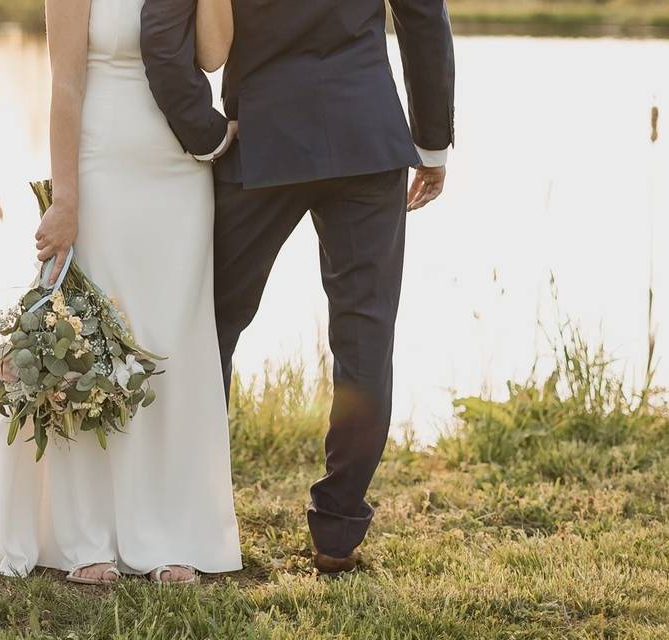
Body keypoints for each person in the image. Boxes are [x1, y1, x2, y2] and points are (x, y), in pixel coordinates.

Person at [141, 0, 455, 574]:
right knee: (366, 333)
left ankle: (188, 514)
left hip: (261, 133)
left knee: (208, 324)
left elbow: (168, 36)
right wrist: (432, 142)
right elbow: (422, 16)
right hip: (366, 137)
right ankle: (337, 533)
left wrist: (200, 130)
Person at [0, 0, 242, 585]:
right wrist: (66, 199)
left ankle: (171, 533)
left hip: (179, 171)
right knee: (95, 343)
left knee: (171, 340)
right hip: (102, 166)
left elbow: (212, 55)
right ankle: (84, 537)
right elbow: (65, 86)